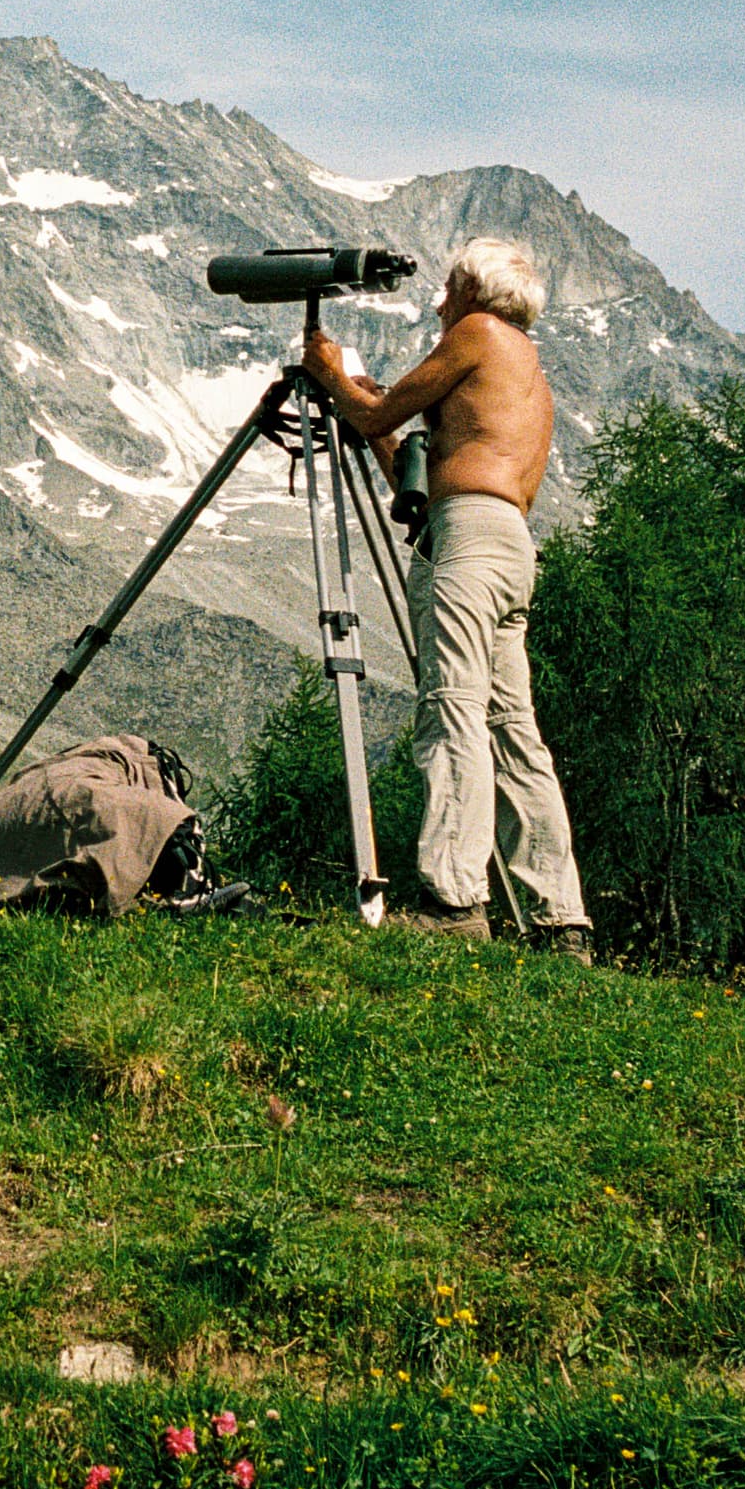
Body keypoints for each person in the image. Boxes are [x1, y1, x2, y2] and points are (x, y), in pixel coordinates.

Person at [300, 237, 593, 954]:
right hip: (507, 541)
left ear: (471, 291)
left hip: (466, 537)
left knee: (453, 708)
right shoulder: (532, 376)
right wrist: (367, 411)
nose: (438, 303)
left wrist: (333, 375)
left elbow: (378, 416)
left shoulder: (477, 333)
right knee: (513, 730)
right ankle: (562, 918)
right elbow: (408, 455)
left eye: (447, 290)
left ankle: (455, 901)